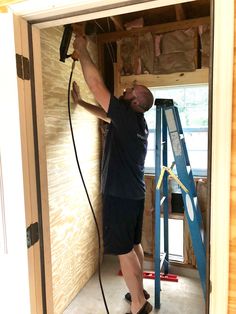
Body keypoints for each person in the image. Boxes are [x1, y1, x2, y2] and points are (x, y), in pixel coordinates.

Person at [71, 35, 154, 314]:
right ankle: (139, 291)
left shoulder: (129, 118)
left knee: (123, 250)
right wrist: (81, 104)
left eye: (132, 90)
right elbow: (106, 115)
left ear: (135, 102)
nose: (128, 89)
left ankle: (139, 305)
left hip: (120, 194)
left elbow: (97, 85)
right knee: (133, 244)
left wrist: (82, 48)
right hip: (133, 194)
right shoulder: (136, 122)